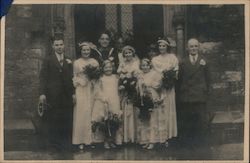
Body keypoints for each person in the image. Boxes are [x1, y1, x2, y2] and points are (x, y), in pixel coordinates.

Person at [39, 36, 74, 150]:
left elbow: (72, 78)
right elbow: (43, 77)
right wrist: (42, 93)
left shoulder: (69, 60)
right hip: (53, 95)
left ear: (64, 45)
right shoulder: (48, 60)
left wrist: (73, 93)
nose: (59, 47)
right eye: (57, 45)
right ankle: (54, 144)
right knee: (54, 118)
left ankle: (66, 143)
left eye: (61, 44)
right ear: (53, 46)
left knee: (66, 118)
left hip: (66, 95)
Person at [178, 38, 211, 146]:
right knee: (187, 122)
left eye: (195, 46)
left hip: (200, 95)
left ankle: (201, 145)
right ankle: (189, 145)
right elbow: (179, 79)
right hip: (187, 96)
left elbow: (208, 78)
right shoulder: (183, 62)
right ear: (187, 48)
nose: (193, 48)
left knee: (201, 121)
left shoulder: (204, 61)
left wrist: (206, 92)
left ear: (198, 47)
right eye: (191, 46)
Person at [151, 37, 179, 147]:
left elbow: (176, 71)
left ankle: (171, 134)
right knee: (161, 109)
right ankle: (162, 136)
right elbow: (155, 74)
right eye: (160, 46)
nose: (162, 48)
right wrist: (160, 81)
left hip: (169, 88)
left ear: (167, 47)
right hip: (160, 88)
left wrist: (170, 79)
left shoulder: (172, 58)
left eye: (164, 46)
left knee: (169, 109)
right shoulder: (155, 60)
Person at [72, 42, 99, 150]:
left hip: (91, 89)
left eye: (88, 50)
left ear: (90, 51)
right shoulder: (77, 63)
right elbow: (74, 77)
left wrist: (92, 81)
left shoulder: (94, 62)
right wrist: (81, 81)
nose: (86, 52)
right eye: (84, 50)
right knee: (81, 113)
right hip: (81, 89)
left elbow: (98, 76)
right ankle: (80, 140)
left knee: (91, 111)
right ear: (81, 51)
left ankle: (91, 140)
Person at [91, 60, 123, 149]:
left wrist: (121, 89)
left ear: (112, 68)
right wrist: (103, 98)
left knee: (114, 120)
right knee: (105, 121)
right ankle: (105, 140)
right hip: (104, 101)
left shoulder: (116, 77)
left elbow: (117, 89)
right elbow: (97, 91)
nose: (108, 69)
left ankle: (111, 139)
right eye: (106, 67)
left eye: (110, 67)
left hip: (114, 100)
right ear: (103, 68)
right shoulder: (100, 78)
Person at [135, 58, 164, 149]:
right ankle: (146, 140)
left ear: (150, 66)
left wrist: (148, 84)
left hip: (152, 96)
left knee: (153, 119)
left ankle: (153, 140)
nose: (145, 67)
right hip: (143, 98)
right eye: (143, 65)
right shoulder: (140, 75)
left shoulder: (155, 74)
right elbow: (137, 88)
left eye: (146, 65)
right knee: (145, 119)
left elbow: (158, 85)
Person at [117, 45, 140, 144]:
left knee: (134, 112)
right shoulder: (122, 64)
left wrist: (133, 81)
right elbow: (119, 74)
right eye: (126, 53)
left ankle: (134, 137)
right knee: (126, 111)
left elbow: (138, 75)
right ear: (124, 55)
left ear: (133, 53)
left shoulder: (136, 63)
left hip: (134, 90)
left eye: (129, 52)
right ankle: (126, 137)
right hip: (125, 91)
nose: (128, 55)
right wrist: (123, 78)